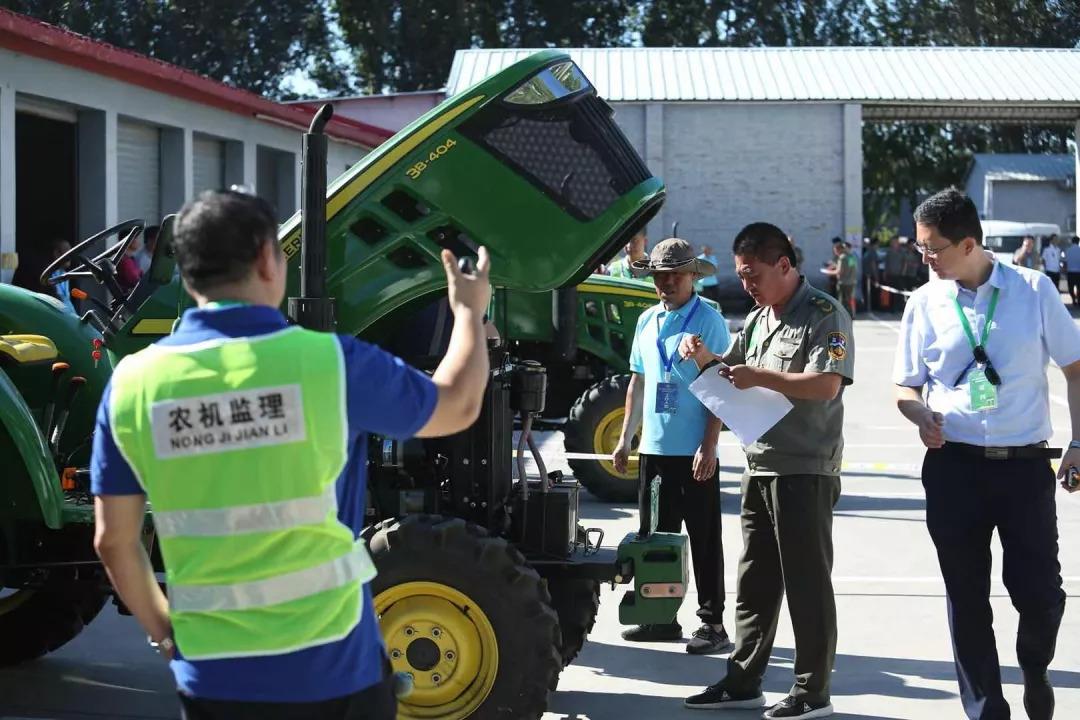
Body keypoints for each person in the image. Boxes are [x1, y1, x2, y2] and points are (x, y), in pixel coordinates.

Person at [91, 190, 493, 720]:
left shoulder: (134, 384)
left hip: (213, 675)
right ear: (265, 259)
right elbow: (459, 405)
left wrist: (167, 633)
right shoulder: (329, 362)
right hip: (333, 669)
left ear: (186, 273)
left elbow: (113, 540)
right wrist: (468, 313)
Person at [894, 188, 1080, 720]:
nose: (923, 257)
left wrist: (1078, 444)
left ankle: (1035, 668)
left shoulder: (1033, 290)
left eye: (932, 248)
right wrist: (919, 414)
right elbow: (905, 387)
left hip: (1024, 467)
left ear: (969, 243)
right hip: (953, 468)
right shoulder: (924, 302)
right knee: (966, 596)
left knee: (1040, 593)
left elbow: (1075, 369)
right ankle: (987, 708)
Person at [682, 222, 853, 719]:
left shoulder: (824, 315)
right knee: (755, 581)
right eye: (742, 275)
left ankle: (812, 690)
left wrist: (760, 375)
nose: (748, 285)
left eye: (754, 275)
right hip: (760, 466)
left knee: (807, 583)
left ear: (784, 264)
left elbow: (826, 385)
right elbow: (729, 376)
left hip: (804, 468)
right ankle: (743, 680)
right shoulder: (758, 321)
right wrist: (704, 359)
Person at [612, 237, 733, 655]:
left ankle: (712, 623)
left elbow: (720, 384)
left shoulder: (710, 320)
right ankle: (659, 618)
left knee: (703, 537)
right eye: (660, 276)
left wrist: (710, 444)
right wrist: (627, 437)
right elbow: (638, 380)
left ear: (691, 278)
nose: (666, 283)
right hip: (655, 450)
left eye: (675, 276)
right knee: (656, 539)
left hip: (694, 450)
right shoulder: (646, 320)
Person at [43, 238, 78, 315]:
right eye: (67, 250)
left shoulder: (66, 274)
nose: (70, 254)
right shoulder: (46, 276)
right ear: (56, 253)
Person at [822, 241, 857, 316]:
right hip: (851, 282)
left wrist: (827, 272)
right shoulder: (851, 257)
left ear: (839, 249)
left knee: (842, 302)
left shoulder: (842, 258)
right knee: (849, 301)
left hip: (843, 283)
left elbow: (839, 271)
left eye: (835, 250)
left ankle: (844, 317)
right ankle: (851, 315)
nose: (835, 252)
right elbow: (852, 269)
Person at [1065, 235, 1080, 305]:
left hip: (1070, 271)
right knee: (1079, 287)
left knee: (1071, 287)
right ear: (1078, 241)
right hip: (1079, 272)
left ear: (1072, 241)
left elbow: (1065, 261)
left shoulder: (1068, 250)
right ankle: (1079, 300)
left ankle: (1073, 299)